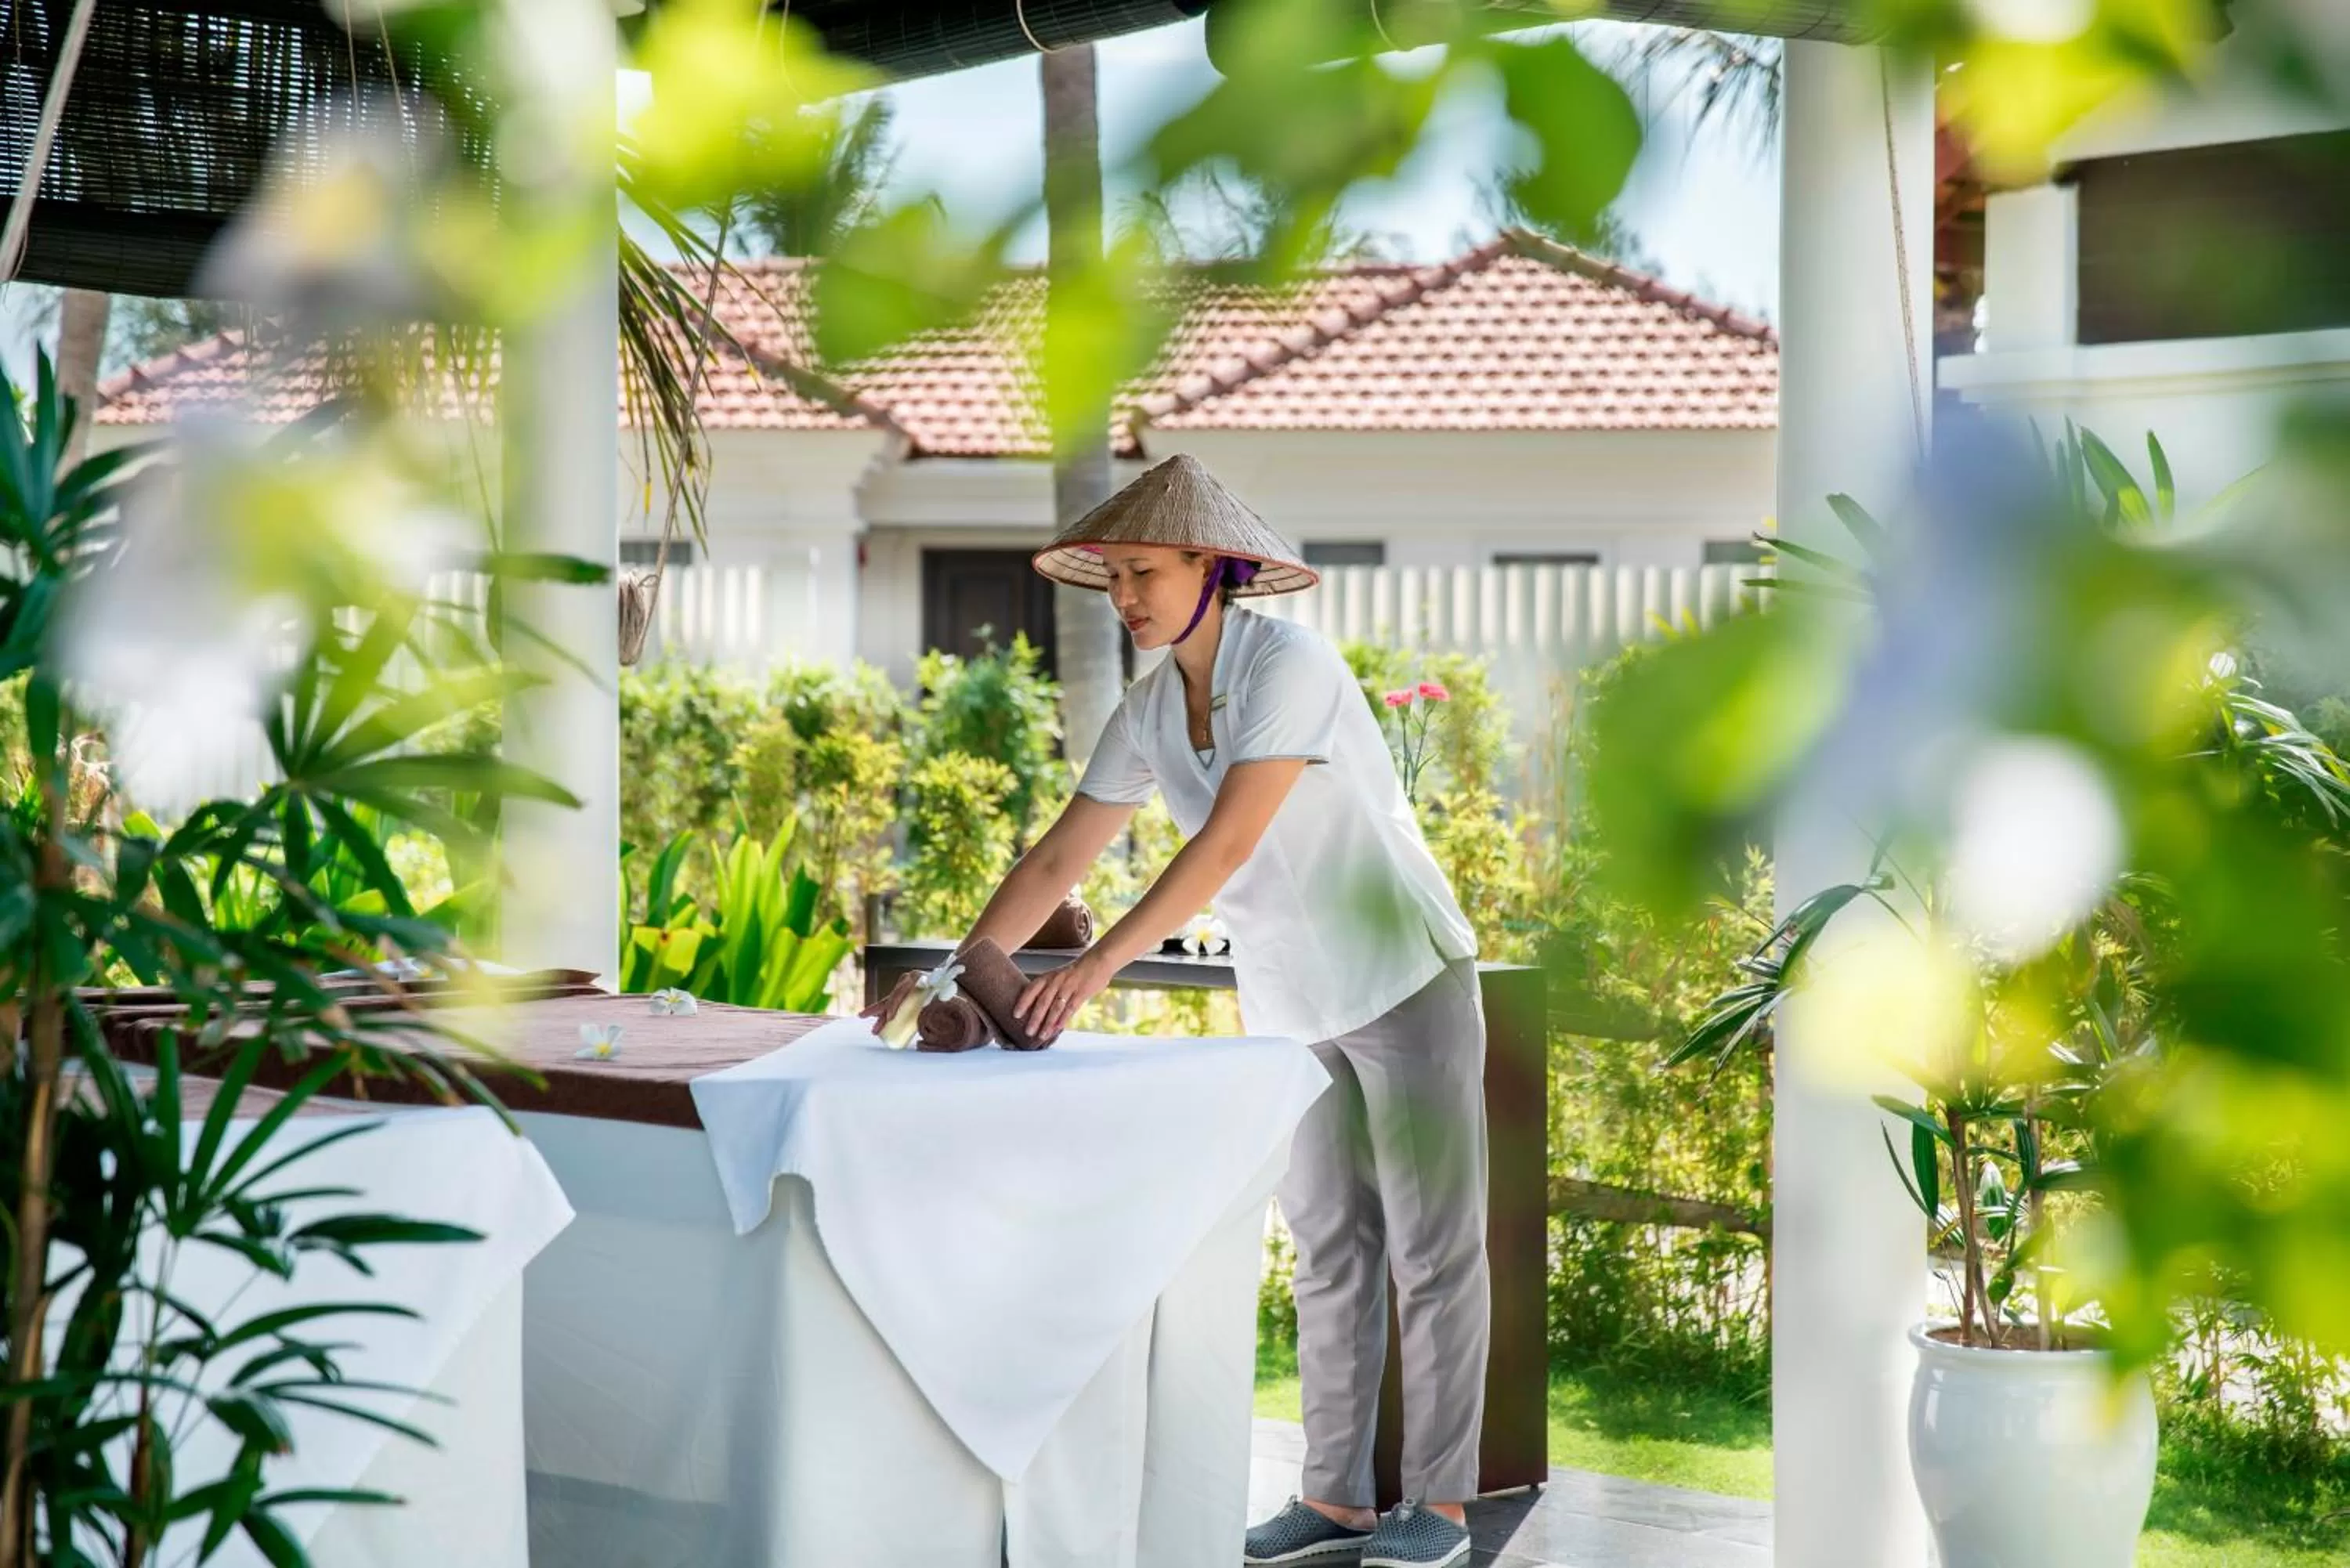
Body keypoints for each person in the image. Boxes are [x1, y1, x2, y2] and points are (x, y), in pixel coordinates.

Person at [862, 453, 1488, 1568]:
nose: (1126, 597)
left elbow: (1229, 842)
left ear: (1217, 566)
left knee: (1432, 1253)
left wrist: (1093, 968)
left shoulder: (1288, 668)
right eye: (1112, 577)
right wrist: (968, 967)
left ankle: (1437, 1506)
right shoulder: (1151, 710)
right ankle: (1335, 1498)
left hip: (1404, 973)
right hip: (1294, 994)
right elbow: (1061, 850)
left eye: (1145, 570)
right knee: (1330, 1247)